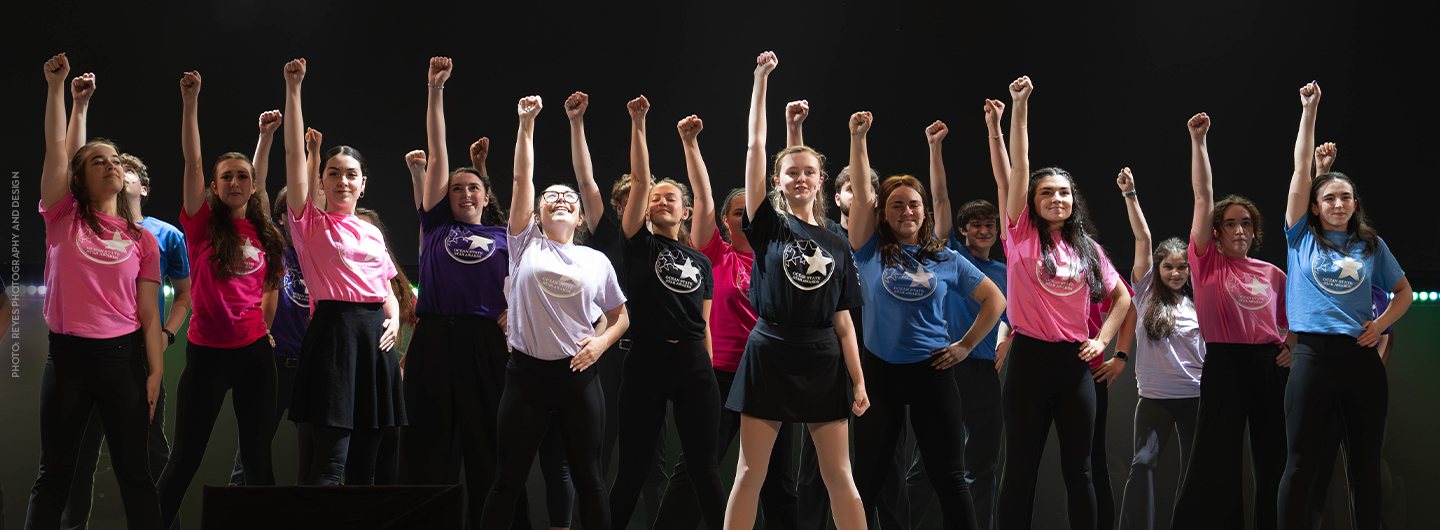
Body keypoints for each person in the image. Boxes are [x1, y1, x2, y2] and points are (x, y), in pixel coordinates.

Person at [722, 50, 870, 530]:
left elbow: (844, 322)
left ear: (821, 180)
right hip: (769, 352)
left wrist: (859, 380)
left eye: (809, 171)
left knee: (839, 476)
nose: (800, 178)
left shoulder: (837, 241)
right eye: (792, 172)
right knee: (750, 473)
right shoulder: (768, 225)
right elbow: (755, 146)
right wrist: (761, 80)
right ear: (778, 182)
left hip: (822, 357)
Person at [847, 111, 1005, 530]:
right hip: (880, 373)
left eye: (913, 204)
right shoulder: (868, 249)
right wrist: (858, 138)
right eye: (896, 204)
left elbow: (995, 300)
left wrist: (966, 345)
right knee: (867, 480)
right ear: (883, 212)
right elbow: (861, 193)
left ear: (924, 211)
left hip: (932, 373)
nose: (907, 211)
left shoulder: (944, 257)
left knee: (950, 478)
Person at [27, 53, 165, 530]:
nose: (110, 166)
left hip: (122, 361)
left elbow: (149, 314)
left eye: (115, 161)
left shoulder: (142, 239)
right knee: (54, 477)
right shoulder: (63, 217)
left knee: (136, 476)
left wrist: (155, 372)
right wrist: (61, 92)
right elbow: (58, 151)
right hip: (66, 361)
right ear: (79, 180)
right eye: (98, 162)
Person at [478, 95, 628, 530]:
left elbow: (621, 316)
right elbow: (521, 176)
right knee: (506, 480)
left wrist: (599, 345)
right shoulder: (524, 243)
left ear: (579, 216)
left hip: (578, 377)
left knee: (590, 480)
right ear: (537, 213)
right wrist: (526, 124)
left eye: (568, 197)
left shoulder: (596, 260)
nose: (560, 199)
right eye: (550, 197)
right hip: (525, 376)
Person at [994, 76, 1131, 530]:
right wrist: (1019, 105)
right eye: (1047, 192)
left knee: (1081, 470)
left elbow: (1122, 298)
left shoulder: (1088, 248)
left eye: (1064, 192)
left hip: (1075, 365)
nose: (1057, 198)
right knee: (1020, 470)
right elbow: (1019, 166)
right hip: (1029, 360)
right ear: (1031, 202)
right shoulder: (1020, 234)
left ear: (1074, 201)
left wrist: (1104, 341)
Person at [654, 114, 801, 530]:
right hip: (719, 377)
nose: (747, 218)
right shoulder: (714, 253)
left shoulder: (780, 255)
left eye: (753, 212)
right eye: (738, 213)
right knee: (696, 469)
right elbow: (702, 198)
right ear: (725, 220)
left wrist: (793, 134)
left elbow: (795, 201)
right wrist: (690, 144)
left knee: (779, 480)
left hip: (770, 376)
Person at [399, 57, 529, 529]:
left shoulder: (504, 238)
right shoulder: (436, 224)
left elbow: (530, 284)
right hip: (434, 338)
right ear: (444, 196)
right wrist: (435, 90)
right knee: (427, 446)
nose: (466, 193)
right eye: (457, 188)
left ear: (485, 195)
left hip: (484, 342)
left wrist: (515, 313)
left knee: (489, 445)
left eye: (474, 187)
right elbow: (437, 152)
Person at [155, 70, 287, 528]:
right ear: (213, 186)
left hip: (254, 357)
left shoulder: (261, 230)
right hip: (207, 356)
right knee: (184, 461)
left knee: (258, 463)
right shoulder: (200, 225)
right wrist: (190, 101)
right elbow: (192, 161)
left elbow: (269, 292)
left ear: (251, 185)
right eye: (225, 176)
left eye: (242, 177)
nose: (235, 182)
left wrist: (265, 139)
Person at [1276, 82, 1411, 529]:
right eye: (1329, 198)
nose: (1338, 204)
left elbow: (1404, 292)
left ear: (1355, 205)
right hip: (1312, 357)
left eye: (1345, 198)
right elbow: (1301, 168)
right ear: (1314, 207)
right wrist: (1310, 110)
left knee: (1365, 467)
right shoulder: (1300, 238)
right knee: (1300, 464)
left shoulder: (1370, 245)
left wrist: (1380, 324)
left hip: (1360, 359)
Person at [61, 83, 192, 530]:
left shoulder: (162, 235)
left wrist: (165, 337)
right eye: (110, 164)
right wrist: (76, 104)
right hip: (88, 352)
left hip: (138, 354)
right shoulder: (85, 223)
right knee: (79, 456)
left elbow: (184, 294)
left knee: (149, 455)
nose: (119, 170)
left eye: (126, 167)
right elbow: (69, 165)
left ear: (143, 187)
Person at [279, 58, 406, 486]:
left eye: (351, 175)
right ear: (321, 181)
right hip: (334, 336)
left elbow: (386, 289)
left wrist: (394, 321)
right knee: (330, 464)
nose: (343, 181)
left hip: (374, 343)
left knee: (365, 469)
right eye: (333, 174)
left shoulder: (371, 231)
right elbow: (293, 155)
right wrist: (294, 89)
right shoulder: (310, 223)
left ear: (363, 183)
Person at [606, 96, 727, 530]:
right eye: (655, 198)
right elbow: (640, 180)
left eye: (670, 198)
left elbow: (704, 322)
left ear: (685, 210)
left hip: (693, 361)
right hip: (647, 359)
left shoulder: (701, 262)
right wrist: (638, 122)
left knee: (704, 469)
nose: (660, 201)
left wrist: (706, 369)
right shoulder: (639, 243)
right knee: (634, 468)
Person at [1169, 111, 1291, 530]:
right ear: (1216, 233)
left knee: (1274, 458)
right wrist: (1198, 141)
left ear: (1255, 232)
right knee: (1215, 460)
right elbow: (1203, 197)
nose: (1240, 230)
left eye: (1247, 224)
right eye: (1231, 224)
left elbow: (1296, 317)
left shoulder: (1273, 274)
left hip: (1269, 366)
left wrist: (1290, 347)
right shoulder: (1206, 263)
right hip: (1224, 365)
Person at [905, 111, 1012, 530]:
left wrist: (1006, 339)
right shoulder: (951, 257)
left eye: (990, 225)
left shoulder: (1005, 270)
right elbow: (941, 199)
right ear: (963, 232)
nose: (984, 230)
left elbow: (1011, 316)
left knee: (983, 465)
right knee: (929, 461)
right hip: (947, 365)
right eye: (976, 225)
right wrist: (935, 148)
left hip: (985, 371)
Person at [1111, 168, 1204, 530]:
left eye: (1182, 267)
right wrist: (1130, 195)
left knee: (1196, 471)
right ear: (1158, 268)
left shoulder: (1199, 302)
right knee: (1142, 464)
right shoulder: (1146, 291)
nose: (1176, 273)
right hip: (1155, 399)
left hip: (1195, 397)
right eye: (1169, 267)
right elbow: (1143, 237)